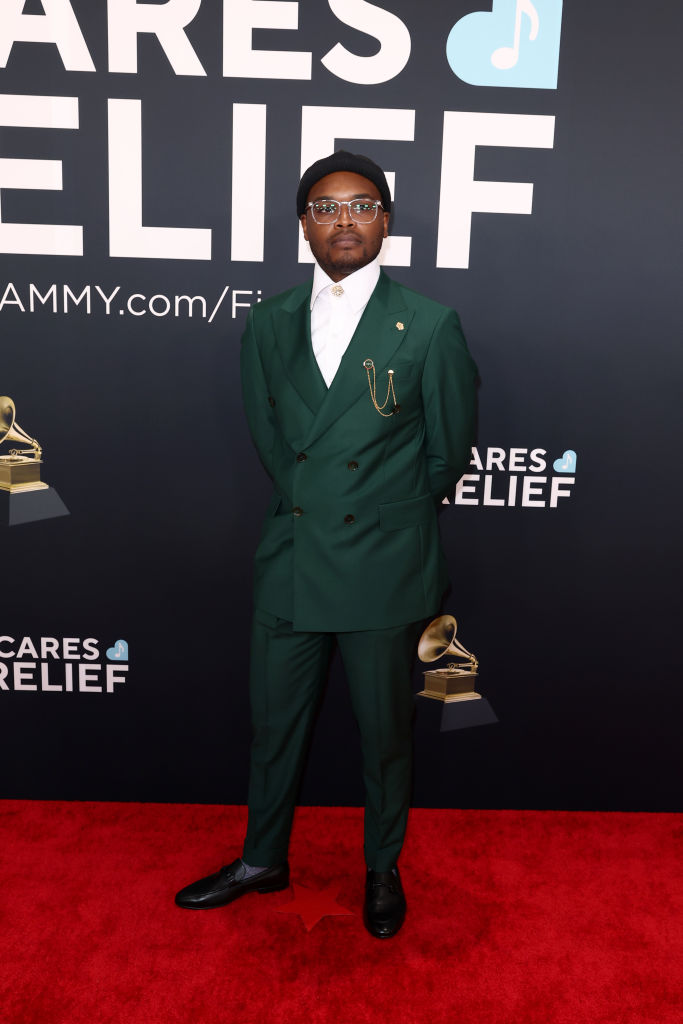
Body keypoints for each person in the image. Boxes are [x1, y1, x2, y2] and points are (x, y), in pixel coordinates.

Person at [175, 151, 477, 938]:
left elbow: (445, 455)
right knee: (274, 726)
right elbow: (272, 438)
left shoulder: (432, 324)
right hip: (295, 558)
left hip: (383, 567)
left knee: (384, 738)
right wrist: (312, 506)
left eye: (360, 204)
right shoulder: (268, 319)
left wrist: (374, 514)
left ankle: (381, 868)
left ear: (385, 218)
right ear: (302, 224)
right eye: (324, 207)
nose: (343, 220)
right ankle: (261, 860)